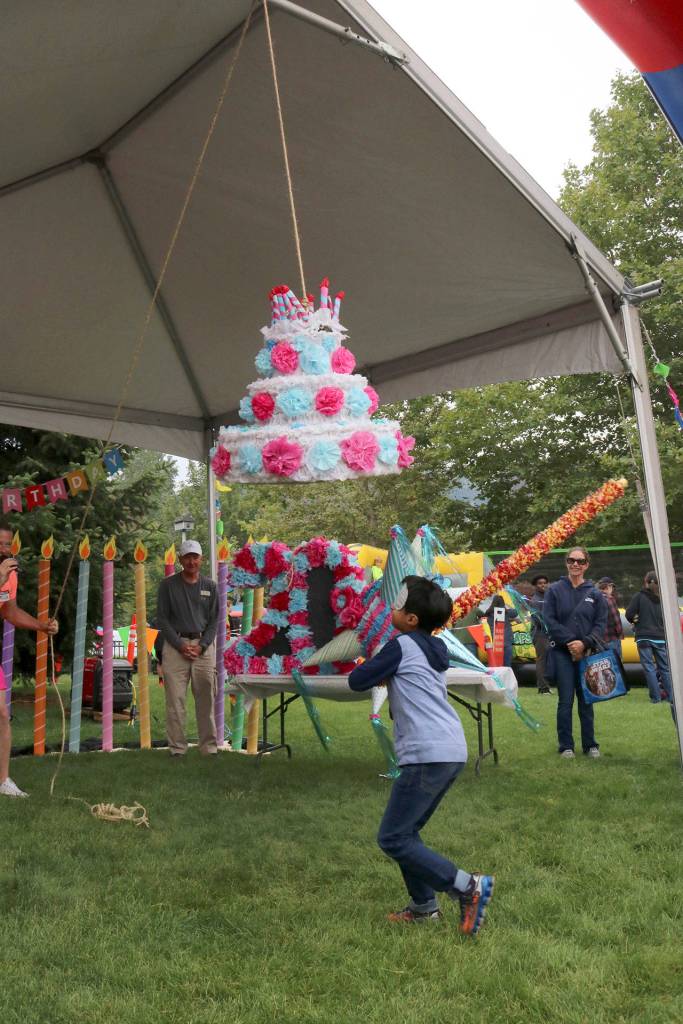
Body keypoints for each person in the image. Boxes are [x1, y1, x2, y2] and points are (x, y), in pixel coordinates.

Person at [349, 576, 494, 935]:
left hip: (426, 752)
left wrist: (372, 665)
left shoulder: (400, 645)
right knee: (407, 832)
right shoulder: (433, 647)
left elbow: (357, 680)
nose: (392, 609)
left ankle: (467, 886)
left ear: (412, 619)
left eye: (398, 606)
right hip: (449, 748)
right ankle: (423, 907)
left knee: (393, 838)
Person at [0, 523, 59, 797]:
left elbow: (9, 612)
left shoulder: (10, 576)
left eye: (7, 544)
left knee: (2, 715)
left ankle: (3, 781)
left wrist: (41, 626)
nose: (5, 549)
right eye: (0, 544)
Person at [156, 539, 218, 756]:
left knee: (206, 699)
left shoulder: (210, 586)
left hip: (203, 648)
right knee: (175, 701)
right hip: (175, 647)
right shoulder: (167, 585)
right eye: (187, 557)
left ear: (202, 559)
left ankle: (209, 748)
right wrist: (180, 645)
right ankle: (177, 749)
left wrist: (202, 646)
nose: (192, 561)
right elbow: (162, 619)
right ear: (180, 559)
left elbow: (215, 621)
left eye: (195, 557)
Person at [544, 547, 607, 759]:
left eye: (580, 561)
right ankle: (566, 746)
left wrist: (584, 643)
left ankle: (590, 745)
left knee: (587, 700)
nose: (575, 564)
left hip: (587, 653)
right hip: (562, 653)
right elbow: (549, 620)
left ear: (587, 565)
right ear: (566, 562)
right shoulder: (554, 590)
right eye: (571, 560)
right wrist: (572, 642)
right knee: (565, 701)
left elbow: (600, 624)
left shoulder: (595, 593)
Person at [625, 572, 672, 704]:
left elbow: (629, 614)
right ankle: (671, 697)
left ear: (646, 582)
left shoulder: (639, 596)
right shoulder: (664, 598)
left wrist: (635, 620)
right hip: (660, 638)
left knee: (649, 667)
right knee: (664, 668)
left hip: (644, 637)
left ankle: (656, 698)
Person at [530, 575, 552, 694]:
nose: (543, 585)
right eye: (540, 583)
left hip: (548, 633)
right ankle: (542, 688)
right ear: (535, 585)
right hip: (540, 634)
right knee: (542, 660)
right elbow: (538, 619)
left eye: (544, 582)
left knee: (548, 660)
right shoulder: (535, 600)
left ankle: (547, 686)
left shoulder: (548, 597)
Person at [485, 594, 517, 667]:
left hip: (495, 642)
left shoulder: (489, 613)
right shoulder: (506, 612)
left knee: (496, 665)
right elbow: (515, 612)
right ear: (503, 603)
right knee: (507, 665)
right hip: (506, 640)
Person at [596, 577, 624, 657]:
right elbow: (616, 620)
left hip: (598, 640)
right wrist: (620, 635)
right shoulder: (609, 599)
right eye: (612, 587)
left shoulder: (594, 599)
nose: (613, 589)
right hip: (611, 639)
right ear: (608, 586)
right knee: (616, 662)